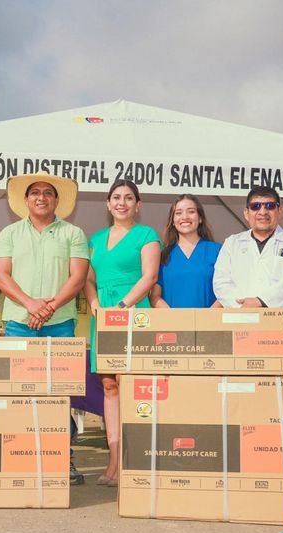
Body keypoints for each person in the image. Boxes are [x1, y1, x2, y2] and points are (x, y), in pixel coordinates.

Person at [0, 172, 89, 485]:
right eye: (35, 192)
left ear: (57, 200)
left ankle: (63, 459)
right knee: (20, 396)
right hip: (18, 325)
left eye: (48, 193)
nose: (41, 197)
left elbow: (78, 277)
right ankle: (20, 458)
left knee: (59, 396)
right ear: (26, 200)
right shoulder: (9, 233)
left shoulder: (73, 233)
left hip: (59, 325)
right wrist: (30, 304)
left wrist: (47, 307)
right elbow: (1, 276)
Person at [84, 179, 161, 487]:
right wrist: (94, 303)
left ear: (138, 205)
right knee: (109, 385)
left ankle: (132, 460)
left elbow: (150, 276)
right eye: (116, 197)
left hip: (133, 312)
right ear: (108, 203)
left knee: (129, 384)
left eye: (129, 198)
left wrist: (122, 306)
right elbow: (88, 279)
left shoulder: (147, 235)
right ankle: (113, 460)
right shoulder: (96, 238)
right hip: (103, 316)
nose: (122, 202)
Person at [213, 186, 283, 308]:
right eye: (255, 206)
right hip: (241, 316)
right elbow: (221, 283)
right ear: (246, 213)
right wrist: (242, 306)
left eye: (270, 206)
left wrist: (261, 302)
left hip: (282, 318)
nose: (263, 212)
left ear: (280, 211)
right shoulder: (231, 243)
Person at [150, 194, 222, 308]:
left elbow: (227, 292)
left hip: (210, 318)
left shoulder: (218, 251)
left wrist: (208, 315)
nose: (185, 217)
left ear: (200, 218)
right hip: (171, 319)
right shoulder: (163, 255)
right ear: (172, 221)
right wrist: (174, 316)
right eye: (178, 213)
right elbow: (155, 297)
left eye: (191, 211)